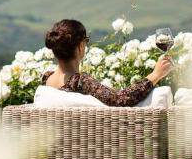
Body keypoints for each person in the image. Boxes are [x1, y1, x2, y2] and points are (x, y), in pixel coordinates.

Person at [41, 18, 173, 106]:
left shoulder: (47, 79)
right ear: (80, 46)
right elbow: (120, 100)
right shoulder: (80, 81)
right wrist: (155, 75)